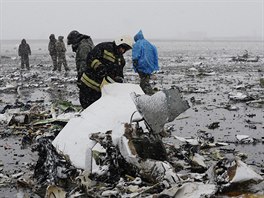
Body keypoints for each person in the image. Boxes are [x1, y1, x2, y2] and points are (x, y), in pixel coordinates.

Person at [78, 35, 133, 109]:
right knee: (86, 107)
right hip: (87, 84)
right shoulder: (104, 47)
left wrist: (119, 80)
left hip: (99, 89)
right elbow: (90, 57)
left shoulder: (121, 60)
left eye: (125, 49)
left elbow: (119, 74)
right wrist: (98, 66)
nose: (122, 51)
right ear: (118, 43)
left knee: (94, 109)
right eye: (122, 47)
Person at [132, 30, 159, 95]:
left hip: (141, 65)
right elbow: (155, 54)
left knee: (144, 82)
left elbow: (136, 55)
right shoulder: (149, 44)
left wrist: (135, 63)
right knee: (145, 80)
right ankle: (146, 94)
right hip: (150, 65)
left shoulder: (137, 44)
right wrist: (155, 66)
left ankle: (150, 95)